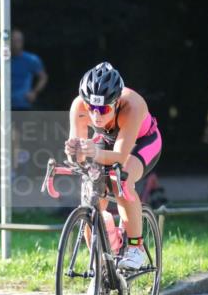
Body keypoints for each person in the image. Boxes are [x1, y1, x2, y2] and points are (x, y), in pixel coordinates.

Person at [64, 62, 162, 270]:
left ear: (116, 103)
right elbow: (78, 158)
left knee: (121, 180)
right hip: (106, 142)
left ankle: (136, 247)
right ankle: (101, 265)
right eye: (91, 108)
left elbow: (119, 156)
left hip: (142, 142)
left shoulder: (132, 105)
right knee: (91, 196)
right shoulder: (79, 106)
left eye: (103, 109)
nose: (96, 115)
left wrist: (93, 153)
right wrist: (74, 153)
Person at [0, 29, 47, 110]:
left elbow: (43, 77)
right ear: (9, 41)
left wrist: (34, 92)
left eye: (18, 40)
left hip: (23, 104)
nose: (16, 43)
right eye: (13, 40)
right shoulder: (2, 58)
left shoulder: (32, 59)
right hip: (3, 103)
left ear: (22, 42)